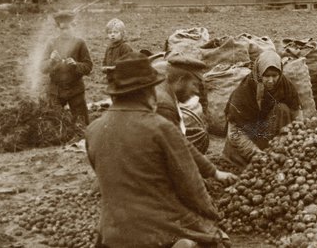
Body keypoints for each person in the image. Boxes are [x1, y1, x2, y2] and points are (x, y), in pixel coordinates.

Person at [86, 52, 230, 248]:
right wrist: (212, 217)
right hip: (154, 229)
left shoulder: (93, 130)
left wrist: (213, 171)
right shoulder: (159, 126)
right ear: (147, 91)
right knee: (216, 241)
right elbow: (191, 184)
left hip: (111, 232)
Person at [153, 55, 237, 183]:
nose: (197, 91)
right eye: (195, 85)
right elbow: (178, 150)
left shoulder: (164, 92)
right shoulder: (164, 106)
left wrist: (213, 172)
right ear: (181, 80)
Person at [223, 50, 302, 167]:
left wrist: (298, 140)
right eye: (266, 76)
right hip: (247, 135)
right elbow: (235, 133)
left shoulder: (285, 85)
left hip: (268, 133)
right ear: (258, 73)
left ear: (280, 73)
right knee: (243, 165)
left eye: (274, 76)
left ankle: (276, 152)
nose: (271, 80)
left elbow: (297, 116)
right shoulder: (244, 91)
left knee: (283, 109)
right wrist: (256, 154)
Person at [40, 11, 92, 125]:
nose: (65, 31)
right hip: (55, 91)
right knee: (53, 124)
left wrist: (76, 65)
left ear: (73, 27)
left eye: (67, 28)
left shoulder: (79, 43)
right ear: (57, 28)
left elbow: (88, 66)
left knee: (82, 124)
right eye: (62, 28)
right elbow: (42, 68)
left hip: (75, 90)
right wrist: (51, 60)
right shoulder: (51, 43)